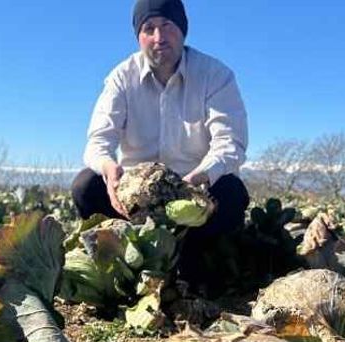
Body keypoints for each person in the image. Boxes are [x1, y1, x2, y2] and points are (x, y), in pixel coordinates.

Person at [71, 0, 250, 288]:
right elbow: (98, 141)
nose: (159, 37)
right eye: (149, 29)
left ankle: (194, 259)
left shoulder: (215, 75)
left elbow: (231, 143)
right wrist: (109, 169)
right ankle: (125, 261)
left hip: (193, 195)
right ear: (138, 36)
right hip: (134, 201)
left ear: (182, 30)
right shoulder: (121, 78)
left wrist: (201, 177)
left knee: (231, 192)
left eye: (167, 26)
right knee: (85, 186)